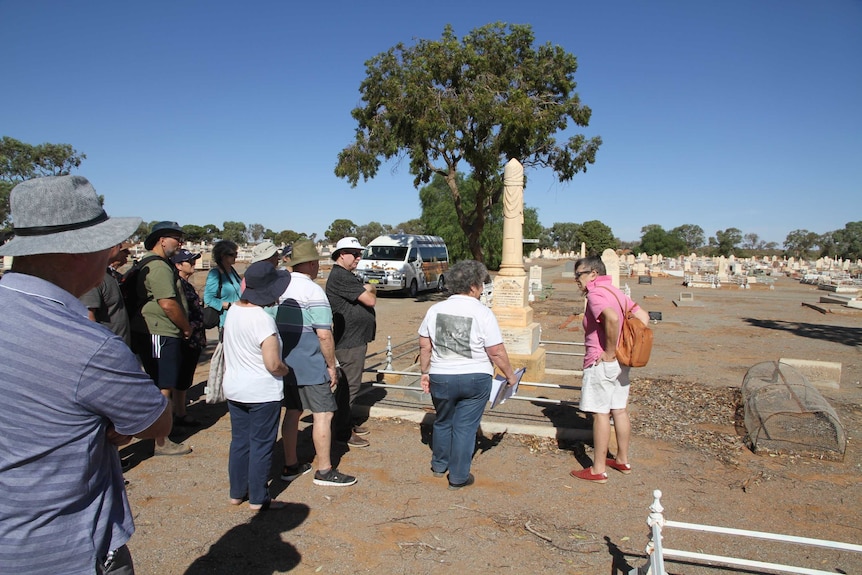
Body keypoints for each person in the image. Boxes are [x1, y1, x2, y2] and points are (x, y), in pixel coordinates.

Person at [0, 175, 172, 574]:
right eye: (104, 243)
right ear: (79, 251)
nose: (112, 252)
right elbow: (157, 422)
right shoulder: (89, 345)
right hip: (66, 547)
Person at [418, 260, 517, 490]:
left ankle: (439, 465)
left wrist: (425, 372)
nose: (482, 289)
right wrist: (510, 375)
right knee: (465, 427)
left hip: (442, 375)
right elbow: (496, 351)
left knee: (443, 421)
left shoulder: (435, 310)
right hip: (475, 376)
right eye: (481, 285)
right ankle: (459, 476)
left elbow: (425, 345)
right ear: (473, 286)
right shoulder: (483, 312)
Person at [277, 240, 356, 487]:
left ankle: (291, 464)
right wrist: (331, 365)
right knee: (324, 413)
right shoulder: (313, 292)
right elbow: (324, 333)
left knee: (292, 411)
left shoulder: (280, 289)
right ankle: (324, 469)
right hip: (310, 361)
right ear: (311, 264)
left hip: (285, 361)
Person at [569, 255, 650, 484]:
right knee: (620, 410)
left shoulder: (595, 294)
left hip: (602, 361)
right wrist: (625, 348)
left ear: (593, 273)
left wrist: (609, 351)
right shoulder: (617, 292)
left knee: (600, 413)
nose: (577, 279)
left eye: (579, 274)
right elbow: (643, 317)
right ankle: (622, 460)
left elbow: (612, 318)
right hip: (623, 362)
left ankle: (598, 469)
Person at [222, 261, 292, 510]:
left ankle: (236, 492)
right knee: (262, 444)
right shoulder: (262, 319)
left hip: (235, 388)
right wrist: (286, 370)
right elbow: (273, 363)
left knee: (240, 441)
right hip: (262, 392)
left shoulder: (233, 312)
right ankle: (258, 497)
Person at [129, 221, 194, 456]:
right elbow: (167, 303)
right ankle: (161, 441)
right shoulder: (158, 267)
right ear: (162, 240)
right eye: (176, 238)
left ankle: (164, 430)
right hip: (160, 330)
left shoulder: (158, 264)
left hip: (162, 330)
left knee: (164, 382)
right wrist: (186, 327)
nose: (181, 243)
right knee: (162, 385)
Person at [325, 236, 375, 448]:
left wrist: (367, 288)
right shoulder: (341, 276)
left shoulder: (346, 275)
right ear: (341, 255)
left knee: (349, 385)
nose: (358, 257)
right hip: (349, 341)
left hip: (354, 338)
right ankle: (343, 431)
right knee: (350, 387)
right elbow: (370, 298)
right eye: (354, 254)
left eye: (359, 253)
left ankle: (345, 422)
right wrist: (370, 287)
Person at [172, 248, 207, 426]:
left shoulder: (187, 284)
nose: (193, 264)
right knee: (180, 377)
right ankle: (178, 413)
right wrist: (189, 329)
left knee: (185, 378)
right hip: (186, 338)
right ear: (178, 265)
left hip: (194, 339)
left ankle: (180, 411)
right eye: (190, 262)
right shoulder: (177, 284)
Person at [79, 242, 133, 347]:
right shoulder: (93, 276)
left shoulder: (107, 274)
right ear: (111, 246)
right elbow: (88, 317)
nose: (121, 247)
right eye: (119, 244)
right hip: (106, 350)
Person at [204, 240, 242, 334]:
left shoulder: (232, 271)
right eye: (232, 254)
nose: (235, 257)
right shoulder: (215, 273)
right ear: (222, 256)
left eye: (236, 253)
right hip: (227, 322)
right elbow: (208, 298)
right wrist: (228, 305)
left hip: (239, 320)